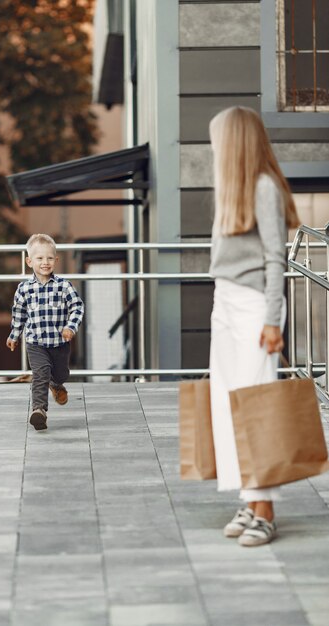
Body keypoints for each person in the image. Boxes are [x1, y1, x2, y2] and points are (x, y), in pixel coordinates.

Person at [208, 106, 300, 547]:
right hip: (223, 302)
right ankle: (250, 499)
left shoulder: (264, 188)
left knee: (256, 404)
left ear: (235, 142)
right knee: (228, 405)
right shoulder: (232, 190)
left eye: (218, 139)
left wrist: (271, 319)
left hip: (252, 307)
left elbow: (274, 259)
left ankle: (266, 511)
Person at [6, 234, 84, 431]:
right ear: (29, 261)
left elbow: (77, 307)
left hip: (60, 343)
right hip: (35, 343)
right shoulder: (24, 289)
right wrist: (14, 335)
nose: (45, 262)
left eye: (49, 258)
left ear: (56, 260)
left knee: (61, 374)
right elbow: (19, 314)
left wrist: (70, 327)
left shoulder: (63, 286)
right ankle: (39, 411)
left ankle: (56, 383)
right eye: (40, 258)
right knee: (40, 373)